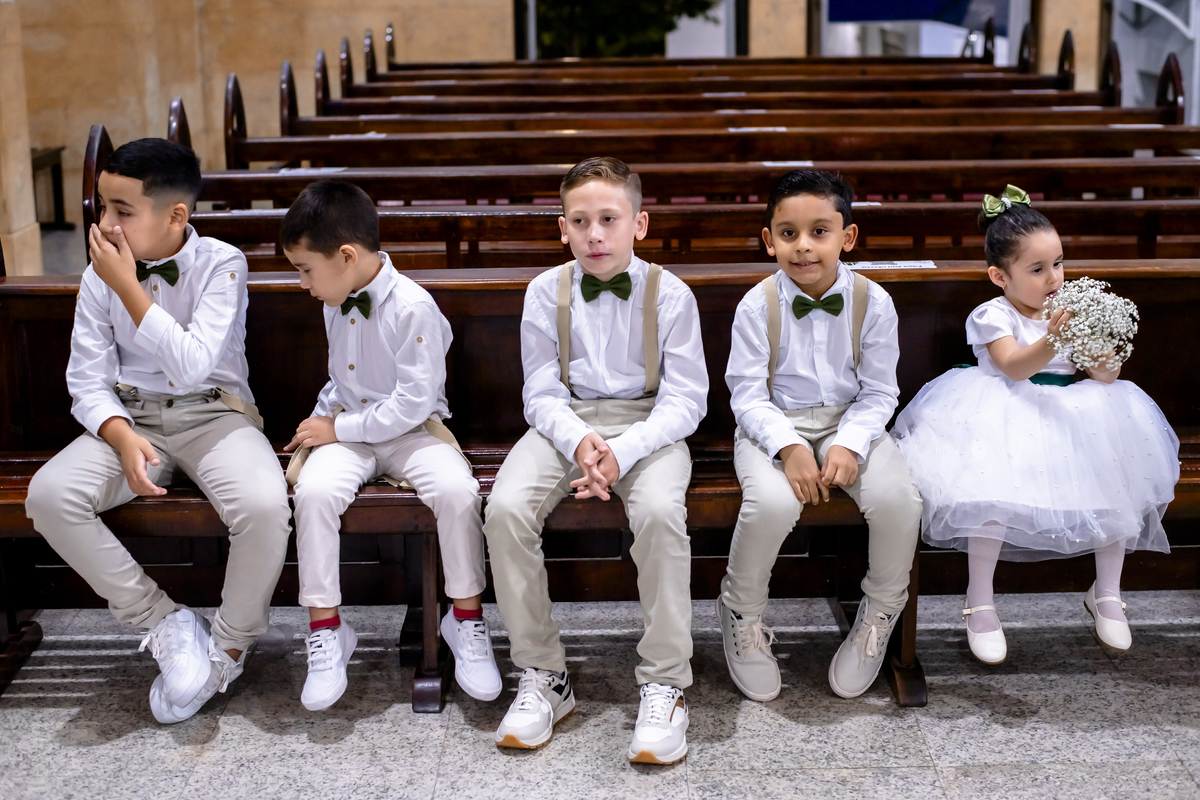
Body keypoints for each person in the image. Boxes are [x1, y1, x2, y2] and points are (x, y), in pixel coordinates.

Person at [24, 138, 292, 723]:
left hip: (215, 414)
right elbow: (86, 378)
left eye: (123, 211)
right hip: (130, 416)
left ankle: (227, 647)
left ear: (176, 215)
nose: (106, 224)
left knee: (265, 505)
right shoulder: (101, 273)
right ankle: (162, 620)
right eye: (101, 207)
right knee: (48, 495)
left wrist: (127, 285)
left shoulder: (222, 262)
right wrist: (120, 437)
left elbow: (194, 364)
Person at [892, 185, 1180, 663]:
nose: (1054, 278)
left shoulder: (1068, 311)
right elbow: (1014, 366)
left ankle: (1107, 592)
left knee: (1113, 482)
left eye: (1059, 264)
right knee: (991, 495)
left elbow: (1102, 373)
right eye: (1038, 269)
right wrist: (1055, 336)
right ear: (999, 276)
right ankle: (979, 600)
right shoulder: (992, 314)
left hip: (1074, 415)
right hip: (1003, 412)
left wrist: (1103, 358)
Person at [483, 157, 707, 764]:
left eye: (609, 219)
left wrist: (622, 450)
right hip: (566, 425)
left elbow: (687, 400)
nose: (595, 234)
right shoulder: (542, 291)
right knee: (504, 509)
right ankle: (544, 677)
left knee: (661, 512)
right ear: (562, 228)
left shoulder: (672, 294)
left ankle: (665, 681)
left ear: (639, 224)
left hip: (649, 425)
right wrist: (581, 441)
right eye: (580, 221)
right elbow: (540, 391)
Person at [280, 180, 499, 710]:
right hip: (350, 429)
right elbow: (343, 377)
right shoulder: (336, 298)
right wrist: (324, 414)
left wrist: (339, 430)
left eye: (306, 269)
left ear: (347, 256)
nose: (303, 283)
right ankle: (327, 628)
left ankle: (464, 618)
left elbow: (412, 403)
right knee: (312, 492)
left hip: (411, 433)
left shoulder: (413, 306)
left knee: (456, 491)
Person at [721, 169, 923, 701]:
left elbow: (880, 392)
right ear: (769, 240)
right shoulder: (755, 305)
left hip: (851, 420)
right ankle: (742, 611)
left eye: (819, 232)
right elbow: (746, 394)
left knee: (899, 499)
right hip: (772, 426)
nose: (803, 246)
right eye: (788, 234)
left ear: (847, 237)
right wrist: (788, 448)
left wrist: (849, 444)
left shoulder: (873, 302)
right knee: (769, 505)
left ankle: (879, 613)